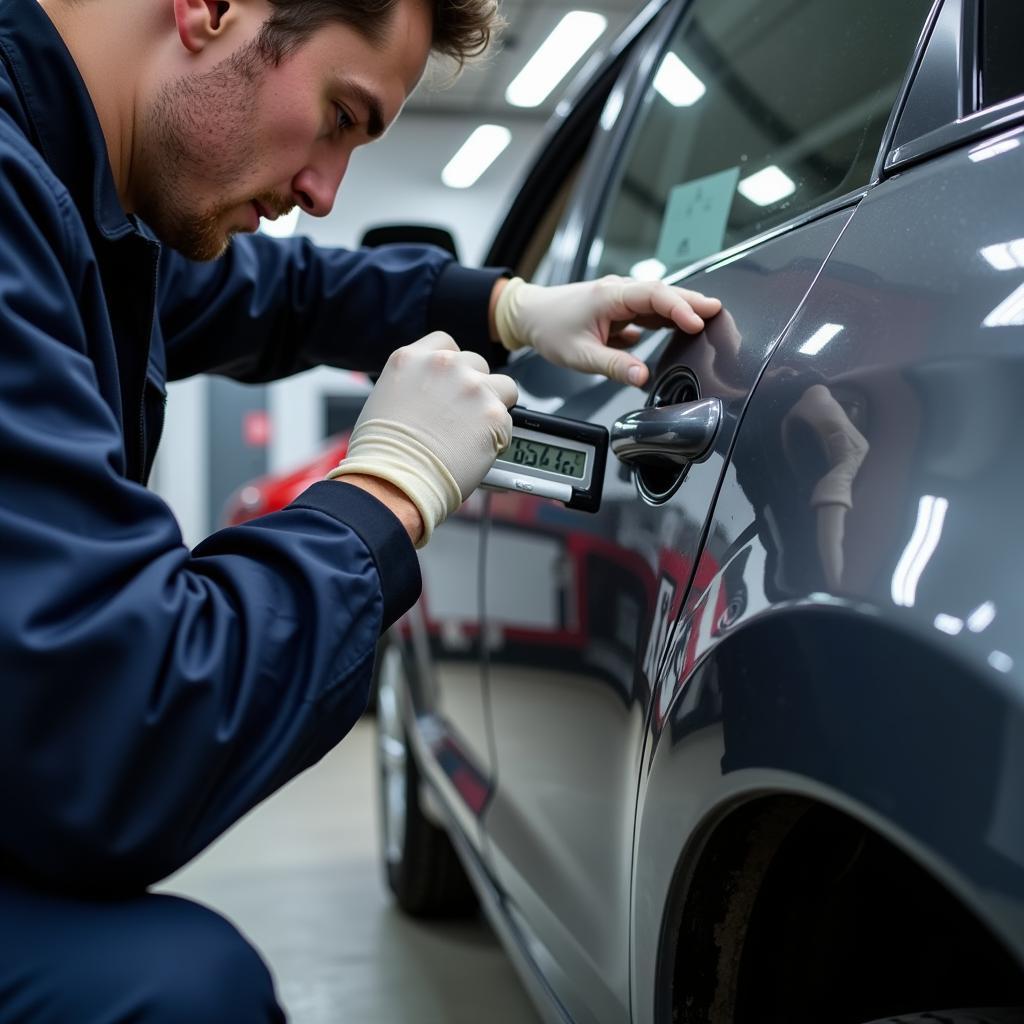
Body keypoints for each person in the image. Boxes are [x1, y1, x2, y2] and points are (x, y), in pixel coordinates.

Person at [0, 0, 721, 1018]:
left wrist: (505, 308)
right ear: (208, 9)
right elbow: (114, 743)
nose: (326, 193)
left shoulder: (82, 194)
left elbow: (289, 294)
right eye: (340, 115)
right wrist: (388, 487)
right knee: (180, 993)